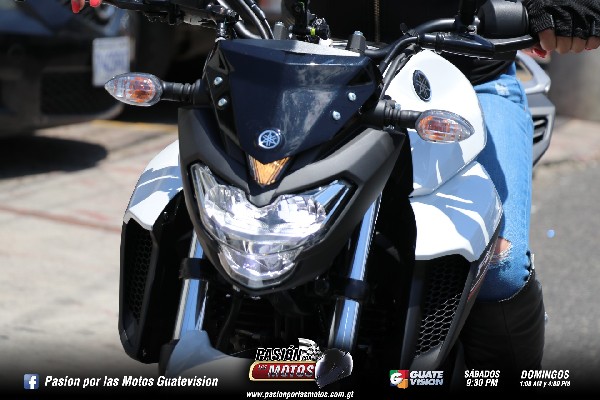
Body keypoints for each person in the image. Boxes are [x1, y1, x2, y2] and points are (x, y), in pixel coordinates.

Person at [73, 0, 600, 387]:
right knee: (209, 203)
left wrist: (566, 10)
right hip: (316, 71)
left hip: (465, 74)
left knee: (500, 264)